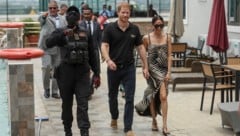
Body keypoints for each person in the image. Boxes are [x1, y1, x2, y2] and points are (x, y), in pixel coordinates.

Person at [45, 6, 101, 136]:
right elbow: (48, 42)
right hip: (65, 74)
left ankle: (84, 131)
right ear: (66, 16)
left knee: (83, 104)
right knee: (67, 104)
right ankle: (67, 130)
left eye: (75, 13)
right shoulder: (60, 31)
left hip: (82, 73)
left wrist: (97, 73)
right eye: (70, 13)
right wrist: (63, 34)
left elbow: (92, 53)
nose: (73, 16)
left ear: (79, 17)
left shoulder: (85, 32)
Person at [101, 2, 149, 136]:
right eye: (123, 12)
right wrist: (108, 60)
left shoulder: (134, 29)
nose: (125, 15)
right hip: (113, 68)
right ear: (118, 13)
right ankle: (114, 116)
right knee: (112, 96)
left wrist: (145, 66)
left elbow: (140, 48)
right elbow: (104, 46)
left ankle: (128, 128)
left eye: (127, 12)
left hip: (129, 68)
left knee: (129, 97)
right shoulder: (110, 28)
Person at [135, 15, 172, 136]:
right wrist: (144, 68)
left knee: (163, 97)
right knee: (153, 96)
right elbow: (142, 54)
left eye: (161, 25)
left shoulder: (168, 37)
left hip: (163, 69)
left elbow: (170, 56)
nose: (159, 28)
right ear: (152, 26)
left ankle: (165, 124)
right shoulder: (147, 38)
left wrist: (169, 72)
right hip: (152, 70)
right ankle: (154, 120)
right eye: (157, 26)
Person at [38, 0, 67, 99]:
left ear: (57, 8)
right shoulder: (45, 18)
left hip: (58, 47)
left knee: (57, 69)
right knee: (46, 67)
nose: (52, 10)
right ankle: (46, 89)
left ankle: (55, 91)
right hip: (46, 47)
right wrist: (43, 16)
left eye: (54, 8)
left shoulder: (63, 19)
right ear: (48, 9)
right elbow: (40, 20)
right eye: (50, 8)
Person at [80, 7, 102, 99]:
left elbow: (100, 39)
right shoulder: (80, 25)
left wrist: (103, 52)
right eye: (85, 14)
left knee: (96, 71)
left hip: (95, 51)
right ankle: (87, 91)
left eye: (88, 14)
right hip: (85, 53)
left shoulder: (97, 25)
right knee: (86, 71)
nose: (87, 16)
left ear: (92, 14)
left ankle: (91, 88)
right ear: (82, 15)